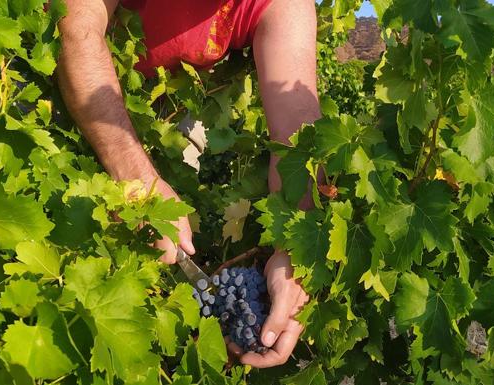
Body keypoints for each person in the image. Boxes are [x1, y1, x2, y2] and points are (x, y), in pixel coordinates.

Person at [57, 0, 319, 368]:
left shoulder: (284, 6)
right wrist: (137, 178)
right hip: (68, 72)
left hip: (172, 106)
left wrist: (294, 256)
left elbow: (297, 139)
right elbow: (75, 29)